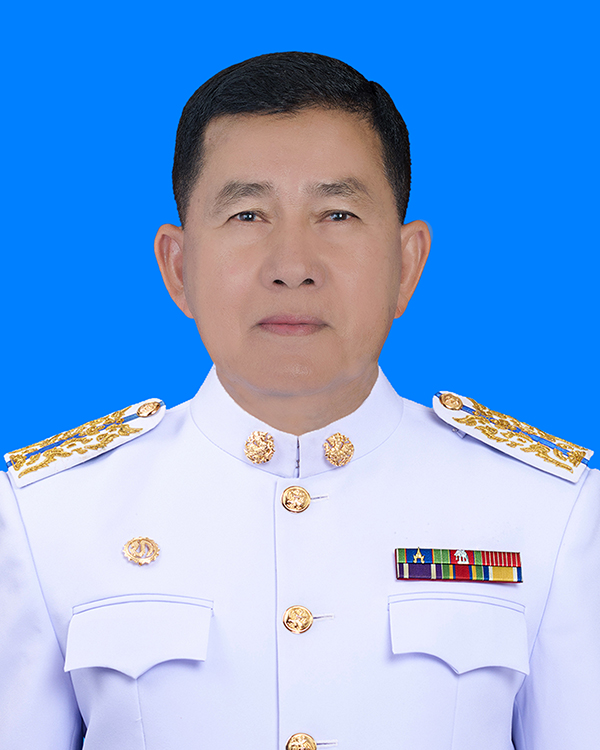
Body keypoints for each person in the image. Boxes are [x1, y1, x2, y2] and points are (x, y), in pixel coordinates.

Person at [0, 51, 598, 750]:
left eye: (337, 213)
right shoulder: (45, 517)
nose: (292, 267)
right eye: (248, 213)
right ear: (178, 267)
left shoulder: (549, 512)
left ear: (407, 265)